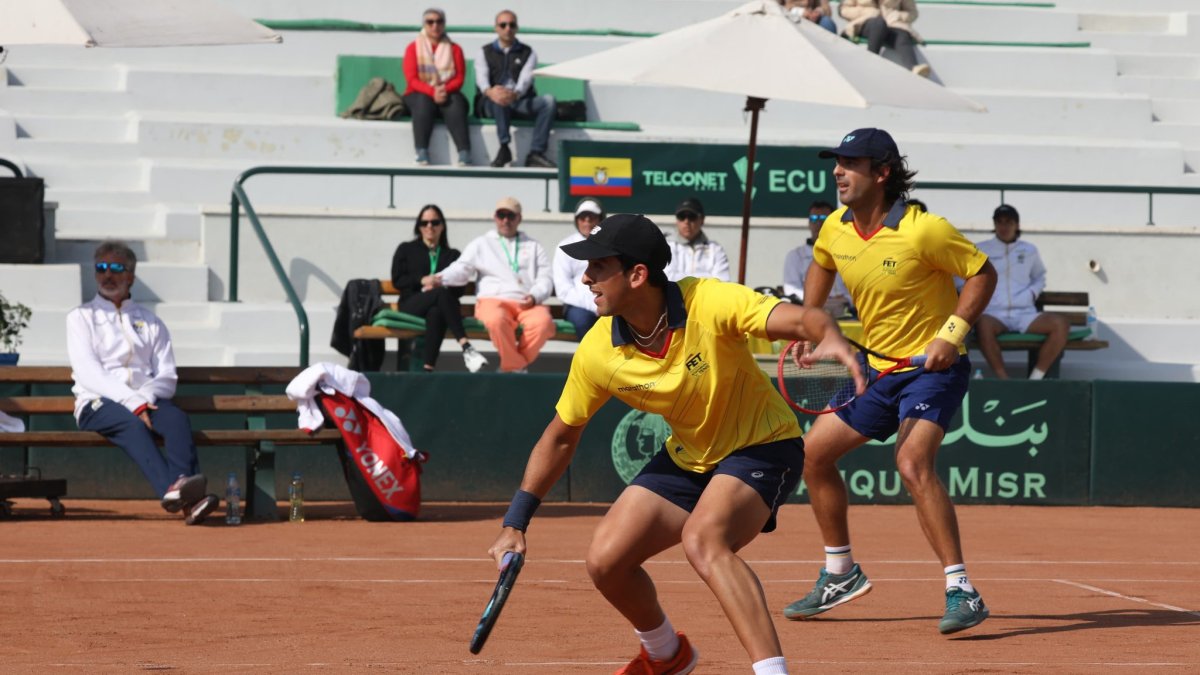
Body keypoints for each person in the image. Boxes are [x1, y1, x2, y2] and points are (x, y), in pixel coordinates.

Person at [487, 213, 864, 675]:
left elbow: (798, 317)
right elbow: (562, 437)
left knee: (704, 541)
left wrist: (827, 333)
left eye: (598, 267)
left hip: (762, 445)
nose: (585, 278)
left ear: (637, 274)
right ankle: (667, 655)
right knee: (606, 561)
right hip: (690, 456)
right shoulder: (599, 349)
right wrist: (516, 522)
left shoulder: (707, 300)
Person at [783, 128, 998, 635]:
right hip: (878, 370)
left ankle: (961, 588)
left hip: (932, 369)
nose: (838, 171)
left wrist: (952, 332)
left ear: (881, 173)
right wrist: (812, 323)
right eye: (836, 162)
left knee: (910, 461)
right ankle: (841, 573)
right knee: (813, 455)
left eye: (851, 163)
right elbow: (821, 262)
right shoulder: (836, 227)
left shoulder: (924, 230)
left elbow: (982, 272)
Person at [66, 241, 220, 525]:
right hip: (97, 403)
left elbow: (167, 376)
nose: (107, 275)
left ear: (131, 276)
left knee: (175, 419)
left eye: (116, 268)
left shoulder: (151, 322)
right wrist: (134, 404)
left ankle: (185, 491)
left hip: (147, 399)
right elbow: (88, 372)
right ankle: (176, 492)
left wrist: (145, 397)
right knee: (133, 424)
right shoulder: (81, 317)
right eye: (101, 268)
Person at [422, 197, 555, 373]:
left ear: (519, 218)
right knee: (495, 320)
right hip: (493, 300)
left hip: (527, 302)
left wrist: (535, 296)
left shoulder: (533, 245)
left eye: (510, 216)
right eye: (501, 215)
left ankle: (511, 366)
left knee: (544, 323)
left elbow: (545, 277)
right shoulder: (481, 243)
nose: (505, 220)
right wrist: (440, 278)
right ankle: (516, 367)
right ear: (495, 217)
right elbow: (462, 268)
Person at [973, 204, 1069, 380]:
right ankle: (1005, 380)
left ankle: (1035, 378)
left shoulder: (1029, 250)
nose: (1004, 227)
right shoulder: (980, 249)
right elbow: (961, 277)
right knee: (982, 325)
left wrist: (1032, 293)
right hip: (994, 313)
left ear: (1017, 225)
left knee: (1060, 324)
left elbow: (1039, 276)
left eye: (1008, 222)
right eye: (999, 222)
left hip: (1025, 313)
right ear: (994, 225)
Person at [390, 204, 490, 373]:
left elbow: (459, 289)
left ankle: (428, 368)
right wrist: (422, 280)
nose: (430, 226)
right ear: (419, 226)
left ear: (442, 226)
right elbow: (398, 279)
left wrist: (440, 283)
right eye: (425, 223)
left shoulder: (453, 255)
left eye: (435, 222)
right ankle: (465, 346)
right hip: (412, 303)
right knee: (440, 295)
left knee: (436, 311)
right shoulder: (406, 249)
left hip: (442, 306)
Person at [476, 9, 557, 169]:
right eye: (503, 25)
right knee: (499, 97)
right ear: (496, 28)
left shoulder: (528, 52)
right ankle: (504, 147)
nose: (508, 28)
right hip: (491, 102)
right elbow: (481, 78)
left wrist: (515, 94)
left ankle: (536, 153)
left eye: (511, 25)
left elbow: (526, 79)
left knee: (549, 102)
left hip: (519, 100)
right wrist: (491, 92)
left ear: (517, 28)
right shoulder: (484, 51)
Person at [402, 8, 472, 166]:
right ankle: (421, 151)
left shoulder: (455, 49)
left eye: (439, 21)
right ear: (424, 25)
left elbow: (459, 78)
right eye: (430, 22)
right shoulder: (413, 48)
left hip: (447, 92)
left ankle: (464, 152)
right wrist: (432, 91)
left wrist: (443, 90)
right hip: (418, 93)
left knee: (456, 102)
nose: (435, 26)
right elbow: (412, 79)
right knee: (423, 101)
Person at [781, 199, 853, 315]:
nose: (818, 223)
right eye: (814, 219)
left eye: (823, 219)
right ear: (809, 222)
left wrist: (845, 299)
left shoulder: (847, 253)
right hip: (809, 313)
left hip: (846, 313)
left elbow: (856, 286)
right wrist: (820, 300)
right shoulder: (795, 256)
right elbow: (791, 290)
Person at [553, 198, 604, 339]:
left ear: (600, 219)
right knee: (584, 322)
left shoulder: (609, 244)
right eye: (582, 217)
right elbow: (564, 290)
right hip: (577, 306)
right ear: (577, 220)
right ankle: (590, 361)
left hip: (607, 301)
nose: (587, 221)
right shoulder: (565, 246)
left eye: (592, 217)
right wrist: (593, 305)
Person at [838, 0, 930, 78]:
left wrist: (898, 15)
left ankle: (914, 67)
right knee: (879, 24)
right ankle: (871, 60)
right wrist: (869, 13)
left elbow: (912, 12)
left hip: (893, 24)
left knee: (902, 34)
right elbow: (844, 10)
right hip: (863, 23)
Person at [663, 198, 731, 282]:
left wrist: (682, 278)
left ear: (702, 220)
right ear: (676, 220)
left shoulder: (716, 249)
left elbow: (722, 281)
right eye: (682, 216)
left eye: (692, 216)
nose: (686, 221)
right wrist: (707, 278)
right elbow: (667, 277)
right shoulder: (666, 246)